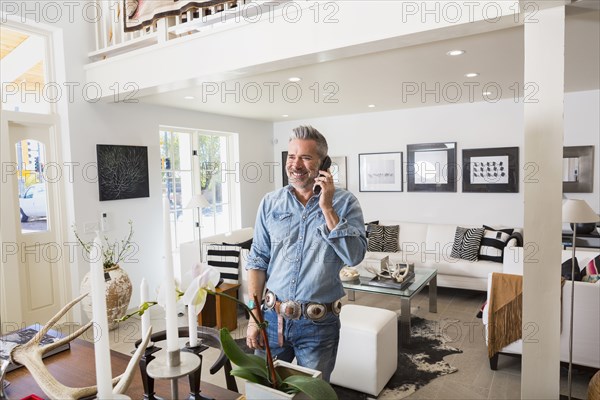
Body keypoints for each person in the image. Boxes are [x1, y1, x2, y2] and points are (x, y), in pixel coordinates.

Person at [245, 125, 367, 381]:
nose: (295, 164)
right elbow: (257, 260)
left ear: (324, 164)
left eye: (305, 157)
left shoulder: (345, 203)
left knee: (311, 396)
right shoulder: (270, 202)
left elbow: (355, 256)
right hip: (271, 316)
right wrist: (254, 318)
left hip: (318, 326)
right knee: (265, 390)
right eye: (291, 156)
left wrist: (327, 208)